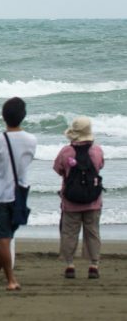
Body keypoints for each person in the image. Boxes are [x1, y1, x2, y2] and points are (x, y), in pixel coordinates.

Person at [0, 97, 36, 291]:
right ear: (23, 116)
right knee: (6, 238)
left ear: (4, 117)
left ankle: (10, 280)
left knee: (3, 239)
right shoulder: (31, 140)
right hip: (20, 193)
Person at [54, 116, 104, 279]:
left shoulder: (66, 151)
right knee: (92, 232)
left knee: (69, 232)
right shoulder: (96, 150)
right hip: (93, 200)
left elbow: (58, 168)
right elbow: (100, 166)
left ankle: (70, 265)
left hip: (70, 200)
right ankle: (93, 264)